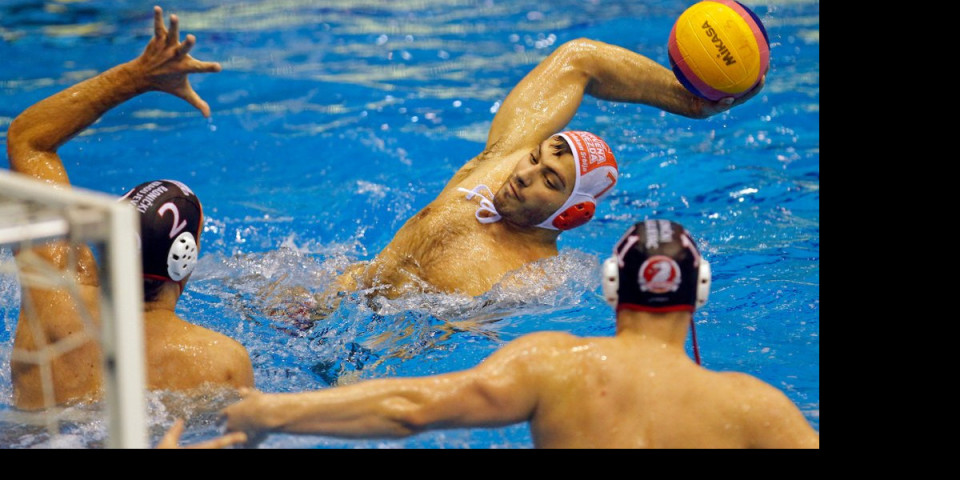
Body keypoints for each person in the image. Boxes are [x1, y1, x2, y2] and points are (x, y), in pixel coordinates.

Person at [221, 220, 819, 448]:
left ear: (612, 287)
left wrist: (268, 411)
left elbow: (409, 407)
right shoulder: (754, 408)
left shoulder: (554, 365)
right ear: (702, 293)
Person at [323, 34, 764, 302]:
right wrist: (689, 101)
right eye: (536, 157)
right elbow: (579, 60)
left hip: (378, 358)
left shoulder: (534, 282)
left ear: (570, 214)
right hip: (333, 297)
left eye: (549, 181)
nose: (523, 173)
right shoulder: (495, 165)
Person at [5, 6, 253, 410]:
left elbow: (28, 140)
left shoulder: (52, 300)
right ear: (184, 258)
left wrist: (137, 76)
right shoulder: (220, 360)